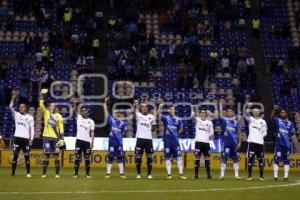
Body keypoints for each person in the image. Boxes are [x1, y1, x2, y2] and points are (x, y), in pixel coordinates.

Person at [157, 103, 187, 179]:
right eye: (170, 109)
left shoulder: (178, 119)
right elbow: (158, 115)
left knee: (179, 157)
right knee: (167, 157)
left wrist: (176, 133)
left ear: (174, 110)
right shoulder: (165, 118)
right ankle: (169, 174)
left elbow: (181, 128)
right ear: (168, 110)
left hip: (175, 141)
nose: (172, 110)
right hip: (167, 141)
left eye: (173, 109)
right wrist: (160, 107)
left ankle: (181, 174)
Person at [39, 90, 64, 178]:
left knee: (56, 156)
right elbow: (41, 106)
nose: (53, 107)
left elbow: (61, 128)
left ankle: (57, 174)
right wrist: (42, 96)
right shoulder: (46, 113)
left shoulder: (59, 116)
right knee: (46, 155)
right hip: (46, 137)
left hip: (56, 138)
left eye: (54, 106)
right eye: (51, 106)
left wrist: (61, 138)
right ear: (49, 107)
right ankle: (44, 174)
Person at [9, 92, 34, 177]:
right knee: (15, 156)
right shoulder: (16, 115)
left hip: (26, 139)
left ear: (26, 108)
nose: (21, 108)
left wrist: (31, 139)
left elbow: (32, 129)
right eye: (20, 107)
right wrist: (13, 99)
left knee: (27, 157)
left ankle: (28, 173)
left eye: (23, 107)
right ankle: (13, 173)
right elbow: (10, 107)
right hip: (17, 138)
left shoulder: (30, 117)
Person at [103, 97, 128, 179]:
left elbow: (125, 132)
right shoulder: (111, 120)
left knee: (120, 157)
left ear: (119, 114)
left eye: (117, 113)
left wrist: (119, 135)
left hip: (119, 143)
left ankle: (121, 174)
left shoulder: (123, 123)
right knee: (110, 157)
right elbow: (106, 111)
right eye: (114, 113)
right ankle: (108, 173)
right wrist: (105, 102)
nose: (116, 114)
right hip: (112, 143)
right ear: (113, 114)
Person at [271, 107, 295, 181]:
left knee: (287, 160)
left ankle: (286, 177)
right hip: (279, 144)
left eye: (284, 112)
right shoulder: (277, 120)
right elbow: (272, 117)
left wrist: (288, 139)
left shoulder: (290, 123)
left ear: (286, 114)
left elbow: (291, 133)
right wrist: (274, 110)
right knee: (277, 159)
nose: (282, 113)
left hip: (287, 145)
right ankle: (275, 177)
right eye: (281, 112)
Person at [72, 98, 95, 178]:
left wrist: (92, 142)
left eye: (85, 110)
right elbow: (74, 112)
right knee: (77, 157)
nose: (84, 112)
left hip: (87, 142)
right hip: (79, 141)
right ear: (81, 112)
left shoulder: (91, 121)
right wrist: (75, 103)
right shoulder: (79, 118)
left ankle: (88, 174)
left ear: (87, 112)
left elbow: (92, 132)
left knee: (87, 158)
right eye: (82, 111)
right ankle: (76, 174)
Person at [134, 100, 157, 179]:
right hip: (140, 138)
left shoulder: (152, 116)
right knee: (138, 157)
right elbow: (135, 109)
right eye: (142, 107)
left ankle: (149, 174)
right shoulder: (138, 115)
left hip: (148, 139)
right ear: (141, 108)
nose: (144, 108)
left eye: (145, 107)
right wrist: (136, 104)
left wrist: (152, 128)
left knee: (149, 157)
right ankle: (138, 174)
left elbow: (154, 126)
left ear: (147, 108)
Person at [246, 104, 267, 181]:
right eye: (254, 111)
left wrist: (260, 136)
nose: (255, 112)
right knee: (250, 160)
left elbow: (265, 132)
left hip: (260, 143)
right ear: (252, 112)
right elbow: (246, 114)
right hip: (252, 142)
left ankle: (261, 176)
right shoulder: (250, 119)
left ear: (259, 112)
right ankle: (249, 176)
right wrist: (248, 106)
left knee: (261, 160)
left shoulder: (263, 121)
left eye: (257, 111)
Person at [219, 107, 242, 180]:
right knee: (224, 158)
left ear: (233, 113)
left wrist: (239, 143)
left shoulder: (236, 122)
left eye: (231, 111)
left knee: (235, 159)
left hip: (234, 143)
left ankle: (236, 175)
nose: (229, 113)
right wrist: (221, 104)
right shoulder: (225, 120)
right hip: (226, 143)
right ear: (227, 113)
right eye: (228, 111)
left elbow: (239, 133)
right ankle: (222, 175)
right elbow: (220, 114)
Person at [192, 106, 214, 179]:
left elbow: (212, 133)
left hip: (206, 143)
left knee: (207, 158)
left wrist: (207, 135)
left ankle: (208, 174)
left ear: (206, 114)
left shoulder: (210, 122)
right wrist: (193, 108)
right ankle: (196, 175)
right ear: (200, 114)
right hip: (198, 142)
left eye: (204, 113)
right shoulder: (197, 120)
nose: (202, 114)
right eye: (201, 113)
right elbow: (192, 116)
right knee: (197, 158)